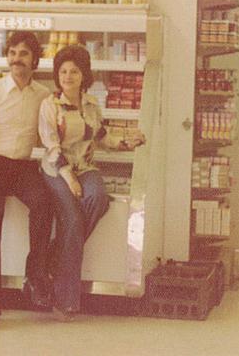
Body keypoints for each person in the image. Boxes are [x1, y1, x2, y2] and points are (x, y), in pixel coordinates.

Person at [38, 45, 145, 321]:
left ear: (84, 75)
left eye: (74, 71)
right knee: (72, 220)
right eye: (63, 71)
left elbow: (101, 136)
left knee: (98, 198)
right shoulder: (50, 106)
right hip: (56, 171)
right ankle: (66, 301)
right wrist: (69, 178)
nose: (68, 76)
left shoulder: (91, 105)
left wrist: (126, 142)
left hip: (85, 167)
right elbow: (51, 148)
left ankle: (53, 255)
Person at [0, 31, 53, 331]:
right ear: (7, 57)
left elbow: (50, 135)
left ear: (35, 60)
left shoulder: (43, 96)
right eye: (13, 52)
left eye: (24, 53)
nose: (17, 58)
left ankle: (34, 275)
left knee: (45, 205)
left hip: (22, 168)